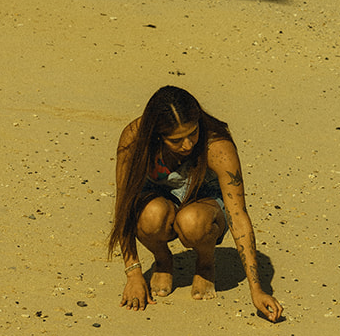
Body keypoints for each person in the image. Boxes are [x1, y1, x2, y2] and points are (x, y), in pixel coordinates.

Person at [109, 84, 284, 319]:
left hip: (205, 203)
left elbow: (238, 215)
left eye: (193, 133)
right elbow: (124, 205)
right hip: (159, 200)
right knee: (150, 216)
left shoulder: (217, 146)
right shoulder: (134, 140)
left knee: (192, 221)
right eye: (177, 140)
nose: (189, 145)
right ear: (157, 135)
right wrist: (133, 274)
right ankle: (163, 260)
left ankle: (205, 261)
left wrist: (257, 290)